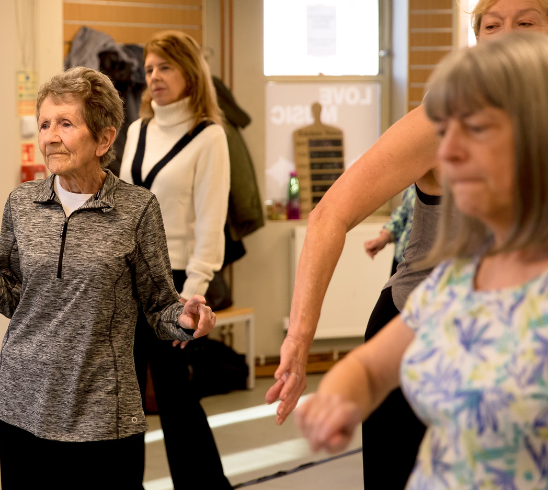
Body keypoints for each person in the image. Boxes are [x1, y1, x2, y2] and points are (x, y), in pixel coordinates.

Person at [270, 1, 548, 488]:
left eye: (526, 22)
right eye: (491, 24)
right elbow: (330, 216)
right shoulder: (454, 286)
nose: (451, 152)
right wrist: (316, 364)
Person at [0, 66, 216, 489]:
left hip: (102, 411)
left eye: (65, 123)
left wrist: (185, 319)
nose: (50, 137)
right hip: (23, 401)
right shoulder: (22, 203)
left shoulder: (137, 209)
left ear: (104, 139)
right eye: (44, 124)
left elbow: (158, 306)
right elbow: (12, 295)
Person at [118, 31, 232, 489]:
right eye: (149, 69)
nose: (154, 77)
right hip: (127, 279)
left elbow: (211, 221)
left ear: (189, 72)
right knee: (123, 399)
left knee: (176, 396)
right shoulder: (137, 130)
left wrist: (194, 292)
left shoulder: (210, 137)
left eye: (165, 66)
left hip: (177, 283)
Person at [364, 184, 415, 276]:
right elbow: (403, 214)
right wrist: (383, 238)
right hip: (402, 259)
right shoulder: (414, 185)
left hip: (430, 266)